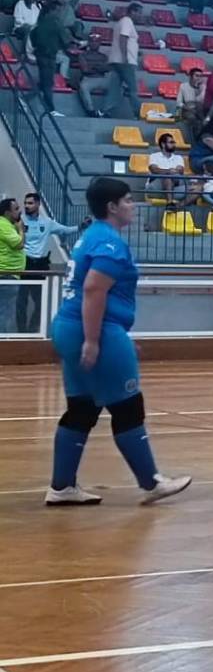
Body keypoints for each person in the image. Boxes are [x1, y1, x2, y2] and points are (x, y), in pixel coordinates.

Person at [45, 177, 193, 506]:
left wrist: (111, 340)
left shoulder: (91, 236)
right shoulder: (109, 243)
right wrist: (95, 341)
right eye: (127, 200)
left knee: (82, 408)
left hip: (71, 327)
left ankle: (62, 486)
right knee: (128, 406)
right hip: (94, 329)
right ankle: (151, 483)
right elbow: (93, 290)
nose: (133, 205)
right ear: (112, 207)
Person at [16, 193, 76, 333]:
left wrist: (81, 227)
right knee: (21, 300)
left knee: (40, 301)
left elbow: (65, 230)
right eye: (25, 203)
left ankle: (32, 330)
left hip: (40, 265)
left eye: (30, 203)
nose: (26, 206)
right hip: (24, 263)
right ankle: (21, 332)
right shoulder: (19, 221)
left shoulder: (47, 222)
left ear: (38, 204)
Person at [102, 3, 142, 119]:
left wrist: (135, 51)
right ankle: (139, 113)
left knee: (114, 88)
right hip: (125, 61)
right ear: (132, 11)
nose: (140, 15)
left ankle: (105, 110)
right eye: (139, 12)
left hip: (117, 60)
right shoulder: (127, 21)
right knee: (133, 88)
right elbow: (123, 38)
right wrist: (125, 57)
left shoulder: (121, 22)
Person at [0, 199, 23, 334]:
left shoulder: (7, 225)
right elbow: (19, 244)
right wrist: (21, 230)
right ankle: (3, 341)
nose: (20, 211)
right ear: (7, 212)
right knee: (6, 312)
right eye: (16, 209)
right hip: (6, 275)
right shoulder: (3, 225)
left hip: (9, 274)